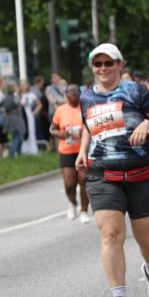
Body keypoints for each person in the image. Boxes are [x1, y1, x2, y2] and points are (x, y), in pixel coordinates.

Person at [75, 44, 149, 297]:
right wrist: (83, 150)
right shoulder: (86, 97)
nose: (103, 68)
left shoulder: (135, 91)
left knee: (148, 239)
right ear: (92, 68)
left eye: (109, 63)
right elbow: (88, 126)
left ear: (120, 65)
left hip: (141, 173)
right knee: (110, 234)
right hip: (103, 175)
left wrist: (148, 125)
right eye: (98, 64)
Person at [49, 84, 89, 224]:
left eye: (75, 92)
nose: (72, 94)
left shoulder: (85, 108)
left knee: (83, 181)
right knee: (69, 184)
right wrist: (61, 134)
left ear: (79, 94)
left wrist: (83, 133)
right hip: (66, 150)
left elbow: (92, 128)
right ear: (65, 95)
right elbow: (52, 129)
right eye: (69, 92)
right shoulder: (60, 110)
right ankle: (73, 203)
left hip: (82, 151)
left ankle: (84, 211)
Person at [2, 82, 25, 157]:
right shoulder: (15, 97)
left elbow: (2, 108)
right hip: (16, 119)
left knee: (17, 136)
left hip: (9, 119)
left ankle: (18, 154)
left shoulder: (5, 98)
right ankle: (12, 154)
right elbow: (18, 109)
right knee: (17, 137)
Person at [19, 80, 41, 155]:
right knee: (23, 131)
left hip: (28, 115)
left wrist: (33, 112)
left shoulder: (31, 94)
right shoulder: (19, 95)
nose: (23, 87)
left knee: (31, 131)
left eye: (24, 85)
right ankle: (24, 149)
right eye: (21, 85)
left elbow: (39, 105)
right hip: (21, 115)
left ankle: (32, 149)